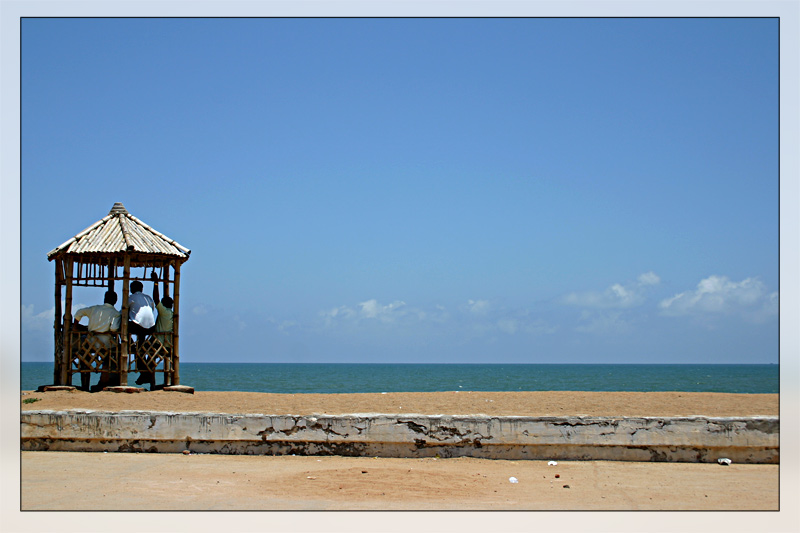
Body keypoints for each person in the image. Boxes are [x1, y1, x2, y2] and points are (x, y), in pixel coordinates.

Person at [73, 291, 121, 391]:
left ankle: (85, 385)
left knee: (85, 358)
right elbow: (113, 328)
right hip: (106, 344)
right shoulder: (116, 313)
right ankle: (107, 380)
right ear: (115, 301)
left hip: (90, 343)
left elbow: (79, 312)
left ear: (104, 299)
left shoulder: (94, 309)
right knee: (116, 353)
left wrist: (75, 326)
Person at [129, 280, 156, 386]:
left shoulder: (131, 298)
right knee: (140, 349)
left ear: (132, 289)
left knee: (122, 325)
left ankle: (129, 344)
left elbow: (124, 310)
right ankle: (144, 374)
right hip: (150, 327)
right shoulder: (148, 298)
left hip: (138, 326)